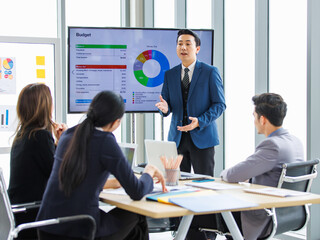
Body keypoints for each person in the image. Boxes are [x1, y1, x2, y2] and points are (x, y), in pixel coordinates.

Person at [36, 90, 167, 240]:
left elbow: (80, 178)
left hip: (46, 228)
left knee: (133, 230)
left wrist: (114, 183)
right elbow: (137, 192)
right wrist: (148, 172)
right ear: (116, 122)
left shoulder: (68, 135)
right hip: (81, 230)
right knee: (138, 214)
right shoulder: (105, 140)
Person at [186, 93, 305, 240]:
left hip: (261, 217)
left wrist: (225, 173)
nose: (253, 120)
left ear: (262, 119)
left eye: (254, 116)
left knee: (189, 214)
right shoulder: (295, 142)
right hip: (287, 215)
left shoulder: (272, 145)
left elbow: (231, 175)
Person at [155, 29, 226, 177]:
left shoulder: (210, 72)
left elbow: (220, 104)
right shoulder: (170, 74)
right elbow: (166, 104)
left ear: (197, 48)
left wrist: (200, 121)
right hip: (177, 138)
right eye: (180, 44)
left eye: (188, 44)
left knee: (204, 183)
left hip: (203, 137)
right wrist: (165, 109)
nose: (183, 47)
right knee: (177, 183)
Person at [8, 83, 67, 239]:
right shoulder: (40, 137)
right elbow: (61, 176)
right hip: (37, 218)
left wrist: (56, 143)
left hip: (22, 215)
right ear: (45, 107)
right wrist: (65, 142)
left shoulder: (23, 136)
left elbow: (47, 164)